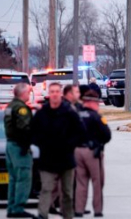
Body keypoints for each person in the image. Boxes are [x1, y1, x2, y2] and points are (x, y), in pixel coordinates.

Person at [31, 82, 87, 219]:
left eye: (57, 91)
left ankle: (68, 215)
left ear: (61, 94)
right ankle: (42, 215)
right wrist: (42, 144)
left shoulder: (69, 112)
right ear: (49, 94)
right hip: (47, 159)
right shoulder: (42, 113)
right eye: (52, 92)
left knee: (67, 192)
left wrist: (70, 144)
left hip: (66, 158)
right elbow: (33, 132)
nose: (55, 94)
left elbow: (81, 132)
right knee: (46, 189)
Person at [74, 90, 111, 218]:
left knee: (80, 182)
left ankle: (79, 210)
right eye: (97, 103)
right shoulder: (96, 116)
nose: (98, 105)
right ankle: (98, 210)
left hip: (77, 151)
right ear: (92, 102)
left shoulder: (76, 115)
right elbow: (107, 135)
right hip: (93, 152)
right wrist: (99, 144)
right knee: (98, 182)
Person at [4, 83, 35, 218]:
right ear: (22, 93)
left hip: (10, 145)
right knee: (23, 177)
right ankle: (18, 207)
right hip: (19, 146)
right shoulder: (21, 108)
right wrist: (27, 144)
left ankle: (11, 207)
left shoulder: (10, 106)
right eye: (28, 92)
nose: (29, 94)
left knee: (13, 178)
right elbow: (24, 128)